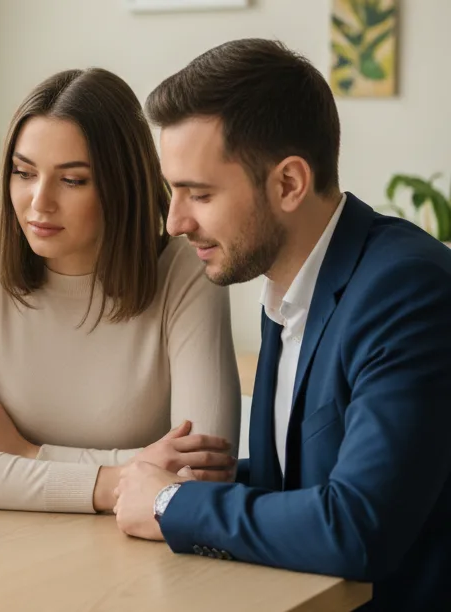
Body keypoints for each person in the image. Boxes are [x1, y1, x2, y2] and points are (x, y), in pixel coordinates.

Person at [113, 39, 451, 610]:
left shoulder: (409, 291)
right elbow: (301, 480)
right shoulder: (288, 285)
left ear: (289, 183)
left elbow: (356, 525)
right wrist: (186, 481)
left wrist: (171, 504)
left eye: (199, 192)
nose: (173, 221)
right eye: (173, 190)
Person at [0, 68, 241, 514]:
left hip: (140, 561)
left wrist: (26, 452)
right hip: (5, 553)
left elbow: (198, 475)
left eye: (72, 180)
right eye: (24, 172)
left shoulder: (184, 270)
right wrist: (121, 479)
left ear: (121, 184)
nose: (39, 201)